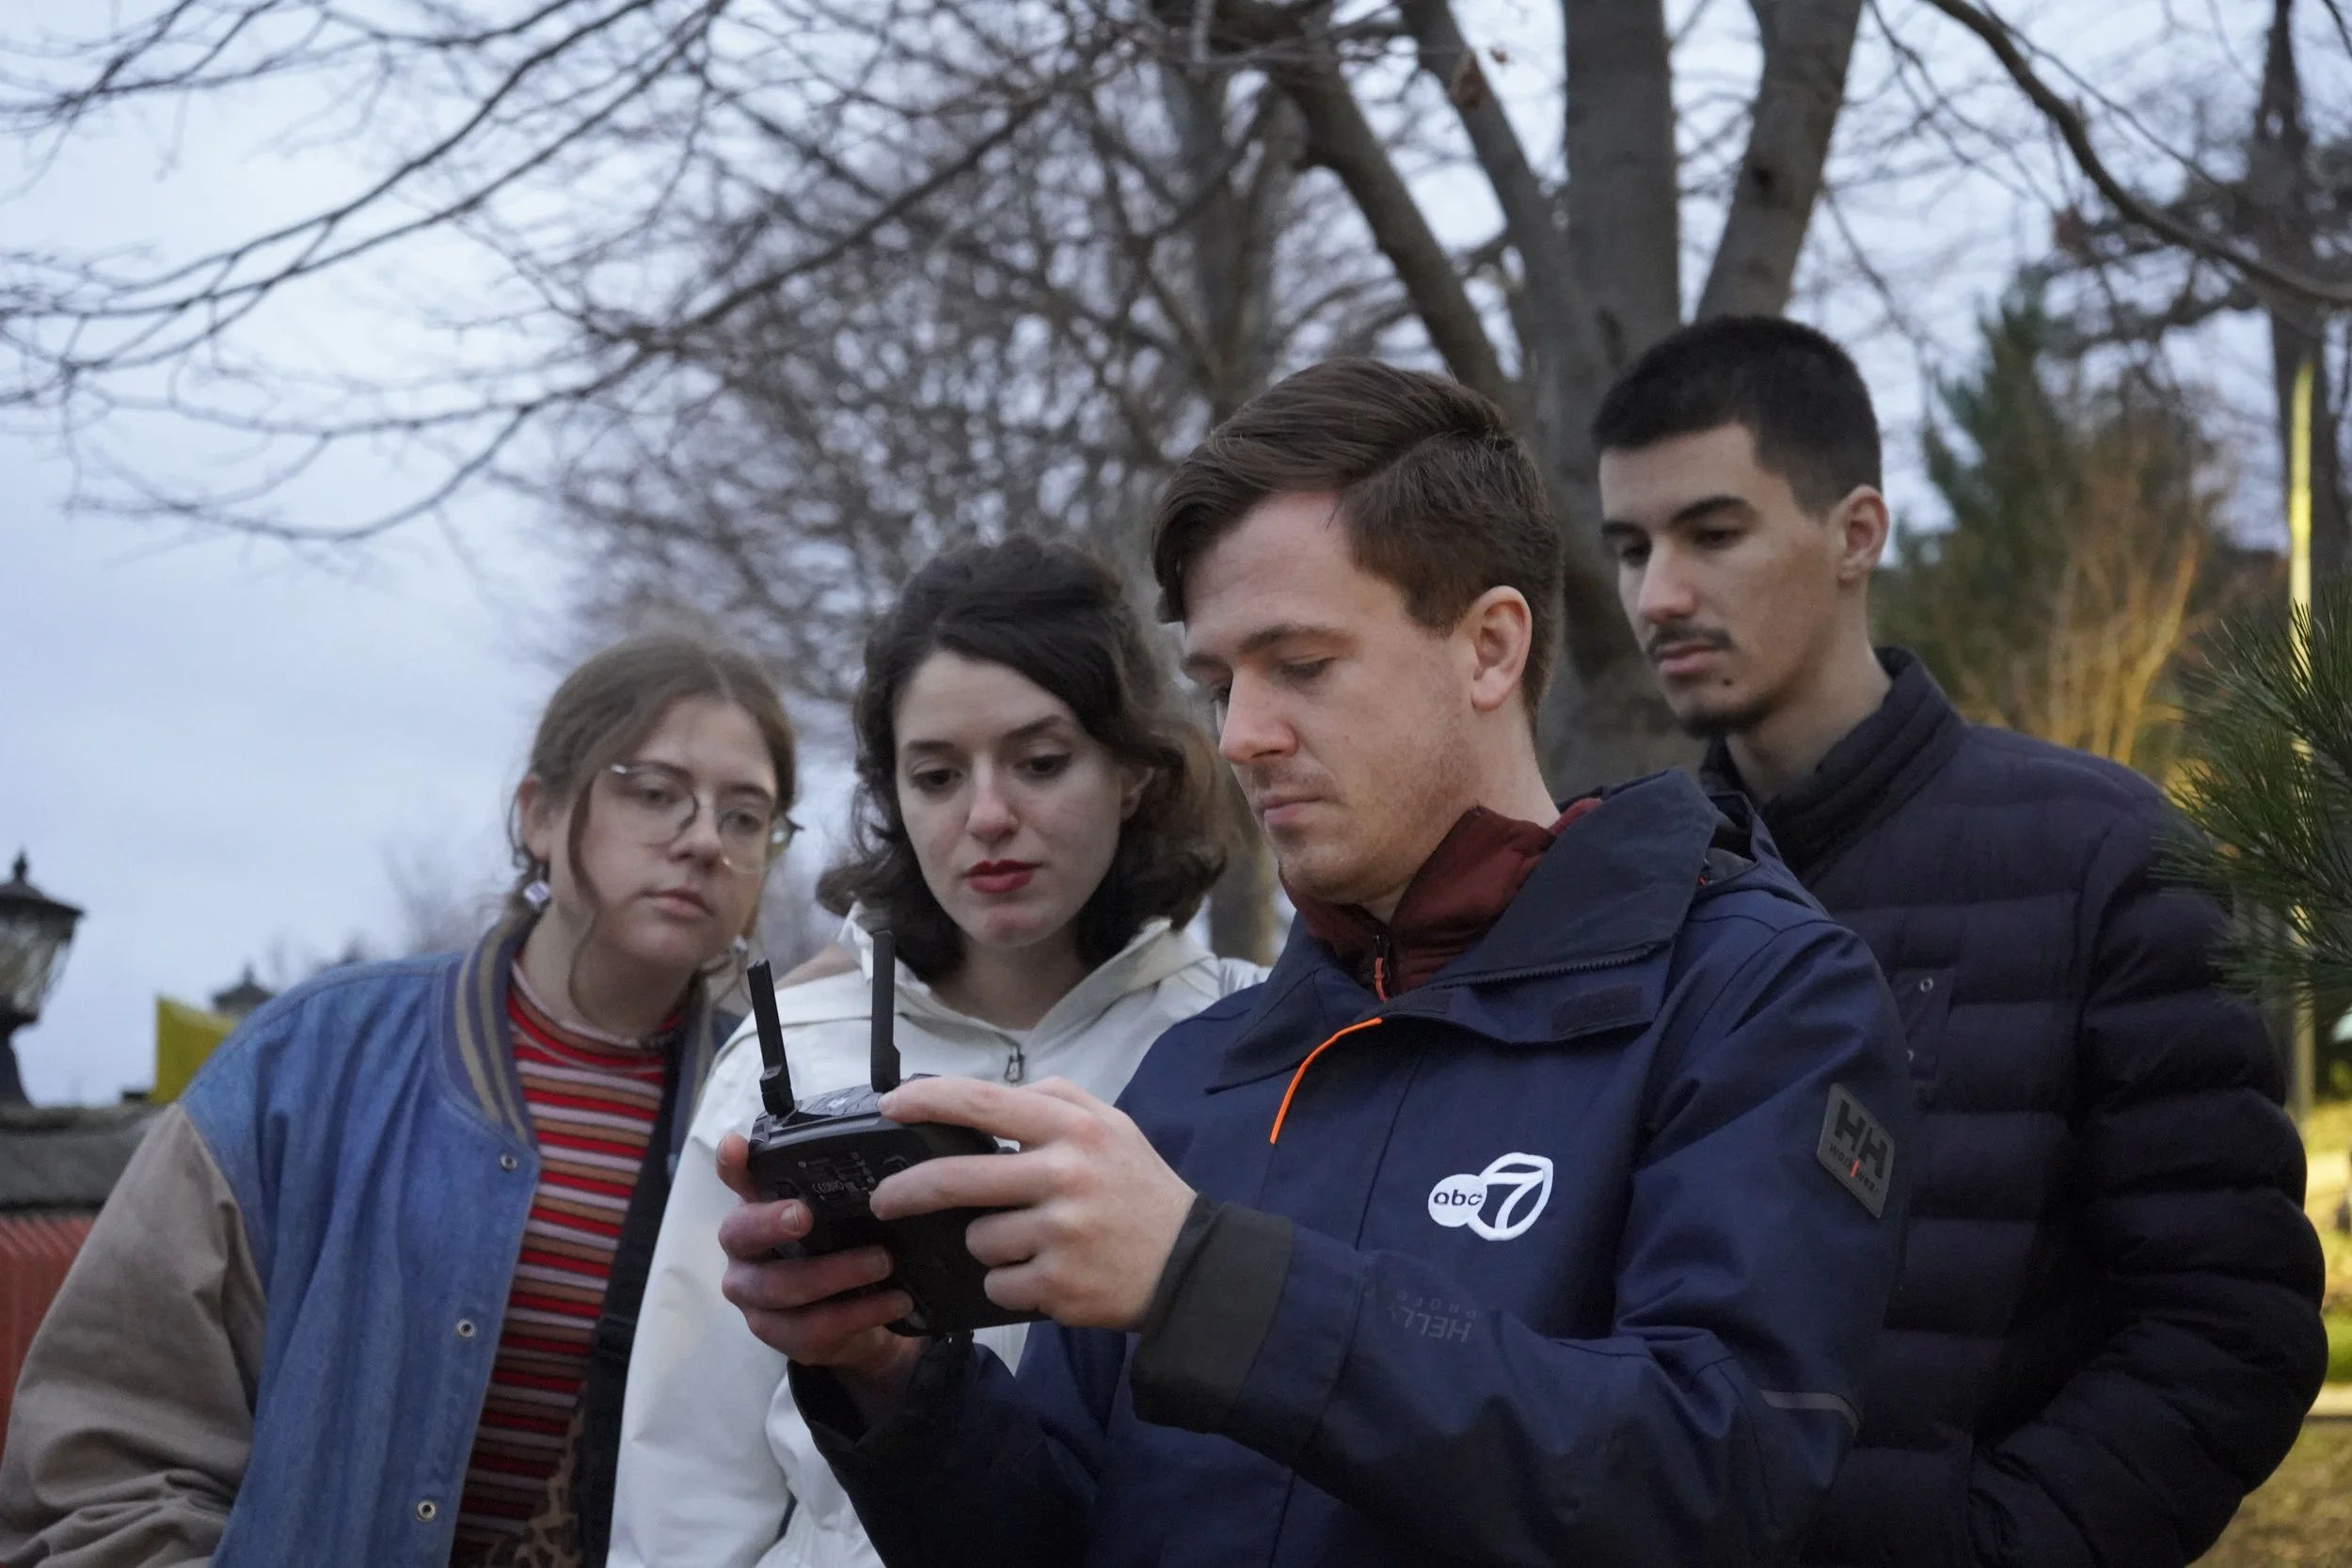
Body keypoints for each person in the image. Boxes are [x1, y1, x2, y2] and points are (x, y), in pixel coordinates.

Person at [710, 359, 1917, 1567]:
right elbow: (1057, 1535)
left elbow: (1718, 1480)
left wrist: (1207, 1284)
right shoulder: (1198, 1074)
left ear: (1490, 646)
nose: (1240, 735)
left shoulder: (1758, 994)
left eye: (1301, 664)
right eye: (1219, 682)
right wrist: (895, 1383)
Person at [1592, 315, 2328, 1568]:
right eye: (1629, 546)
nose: (1659, 594)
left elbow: (2230, 1318)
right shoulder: (1618, 893)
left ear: (1857, 533)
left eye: (1713, 533)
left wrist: (1993, 1544)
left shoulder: (2102, 855)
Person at [0, 633, 800, 1568]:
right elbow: (101, 1447)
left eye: (746, 816)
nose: (705, 838)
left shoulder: (773, 1112)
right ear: (538, 814)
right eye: (654, 791)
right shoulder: (312, 1059)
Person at [609, 535, 1263, 1568]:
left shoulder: (1245, 1045)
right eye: (937, 774)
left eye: (1041, 762)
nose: (988, 816)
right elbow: (685, 1474)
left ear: (1133, 768)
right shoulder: (788, 1067)